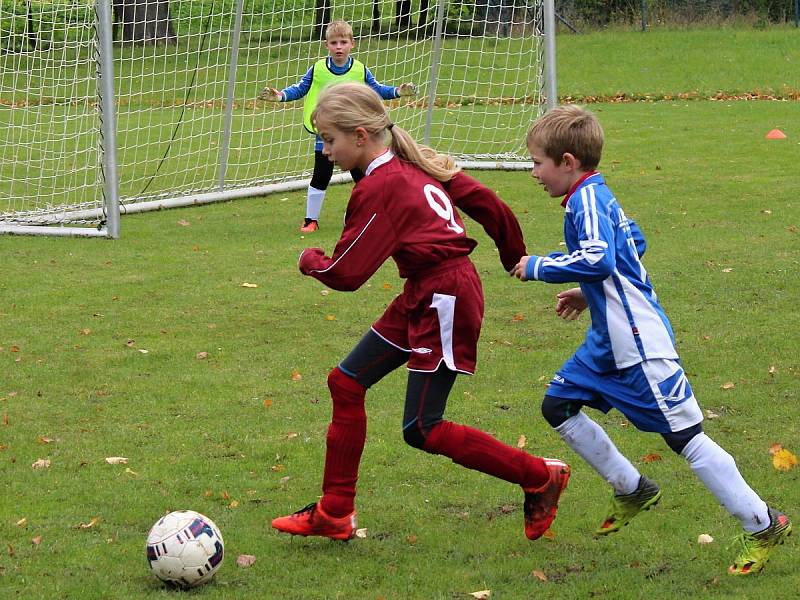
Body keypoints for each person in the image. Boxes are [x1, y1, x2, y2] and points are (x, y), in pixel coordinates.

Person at [271, 82, 570, 542]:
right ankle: (334, 512)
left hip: (445, 296)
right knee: (346, 382)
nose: (325, 150)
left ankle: (538, 475)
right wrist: (513, 254)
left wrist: (308, 259)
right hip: (425, 290)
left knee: (423, 428)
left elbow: (346, 273)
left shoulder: (384, 185)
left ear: (362, 135)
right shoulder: (411, 162)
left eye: (329, 139)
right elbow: (493, 206)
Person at [510, 104, 792, 575]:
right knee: (557, 405)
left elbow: (601, 258)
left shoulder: (586, 200)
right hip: (607, 341)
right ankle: (632, 487)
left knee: (686, 439)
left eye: (538, 163)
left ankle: (764, 522)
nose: (533, 173)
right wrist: (587, 293)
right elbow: (632, 242)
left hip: (639, 345)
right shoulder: (593, 194)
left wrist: (538, 265)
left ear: (567, 162)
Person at [259, 20, 416, 233]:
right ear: (327, 45)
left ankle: (362, 216)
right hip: (326, 133)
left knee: (362, 176)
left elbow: (378, 89)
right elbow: (299, 89)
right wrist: (279, 97)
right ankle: (310, 220)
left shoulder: (360, 70)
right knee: (321, 174)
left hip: (353, 133)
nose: (339, 47)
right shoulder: (318, 69)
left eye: (343, 42)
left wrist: (398, 91)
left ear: (352, 44)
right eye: (334, 42)